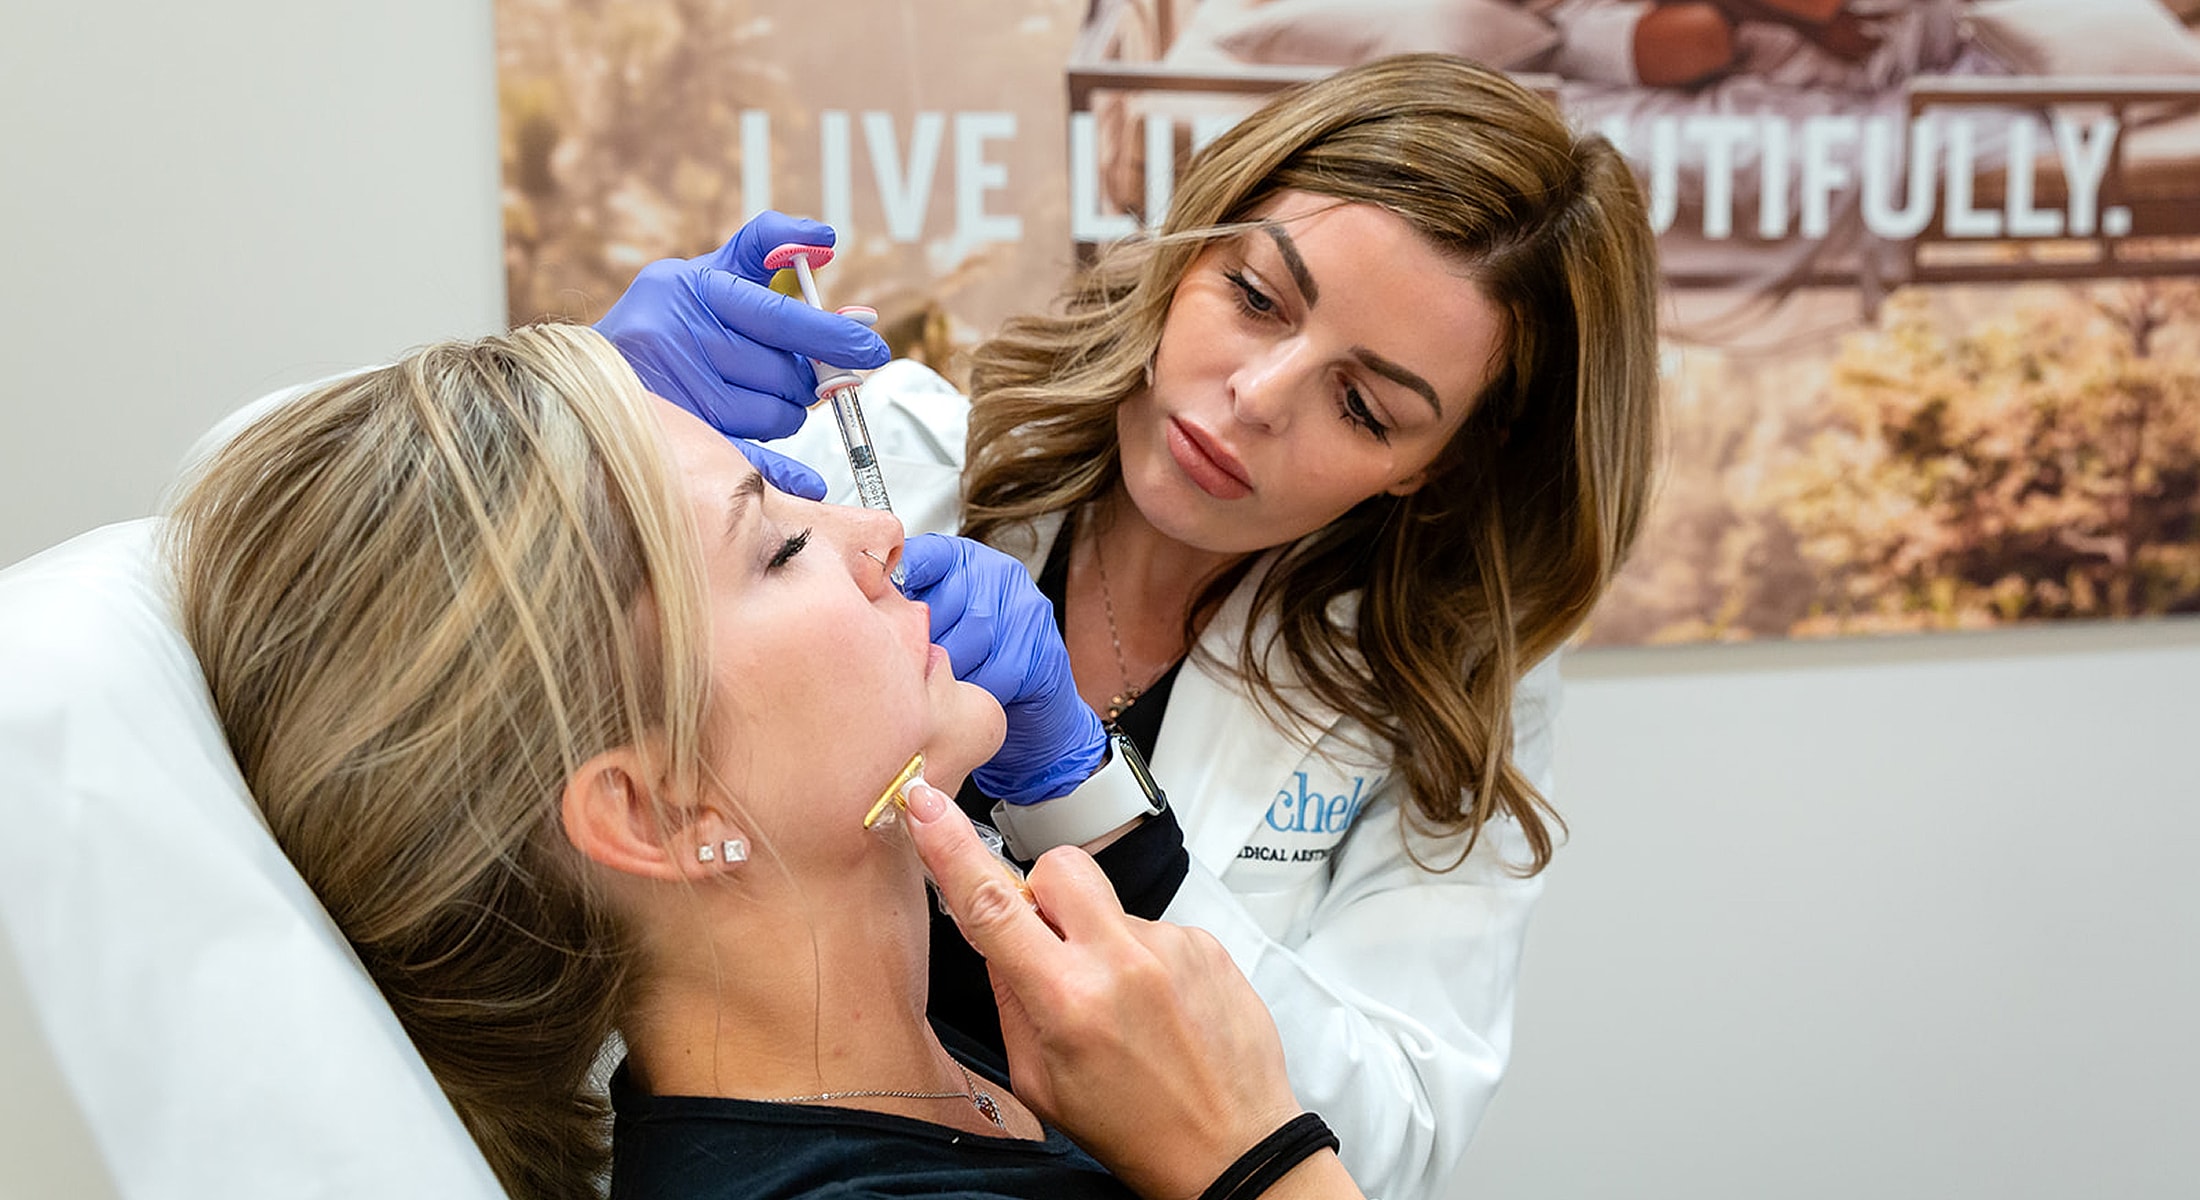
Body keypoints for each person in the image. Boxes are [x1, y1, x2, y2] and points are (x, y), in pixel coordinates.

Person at [605, 53, 1663, 1200]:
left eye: (1362, 405)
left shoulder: (1441, 689)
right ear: (1194, 241)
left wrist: (1095, 811)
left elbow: (1379, 1143)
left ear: (1436, 465)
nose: (1257, 396)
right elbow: (514, 724)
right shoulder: (888, 461)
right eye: (1255, 297)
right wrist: (587, 434)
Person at [162, 325, 1361, 1200]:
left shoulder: (963, 1070)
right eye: (781, 544)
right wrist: (1260, 1161)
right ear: (656, 810)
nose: (882, 532)